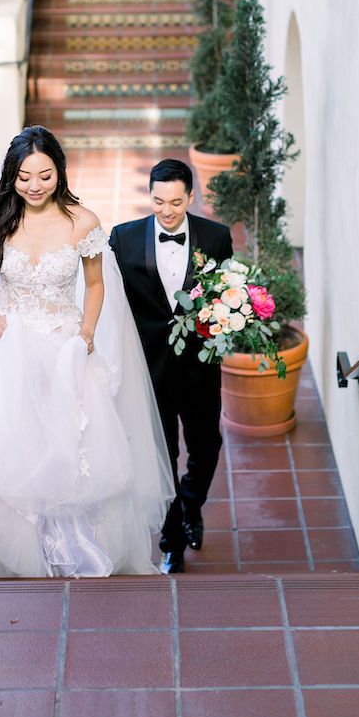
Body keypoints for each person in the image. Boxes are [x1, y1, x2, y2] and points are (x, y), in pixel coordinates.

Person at [0, 126, 174, 578]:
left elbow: (95, 285)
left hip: (65, 349)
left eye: (44, 175)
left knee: (71, 448)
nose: (34, 186)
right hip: (9, 347)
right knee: (11, 448)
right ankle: (22, 550)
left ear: (59, 171)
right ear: (10, 177)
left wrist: (87, 332)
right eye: (23, 177)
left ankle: (73, 548)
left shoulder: (83, 222)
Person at [110, 159, 233, 574]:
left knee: (206, 447)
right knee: (162, 455)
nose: (166, 210)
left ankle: (190, 507)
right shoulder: (122, 239)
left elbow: (226, 294)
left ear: (191, 197)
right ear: (150, 195)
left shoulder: (216, 237)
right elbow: (110, 302)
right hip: (149, 371)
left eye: (176, 202)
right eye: (159, 201)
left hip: (200, 367)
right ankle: (171, 541)